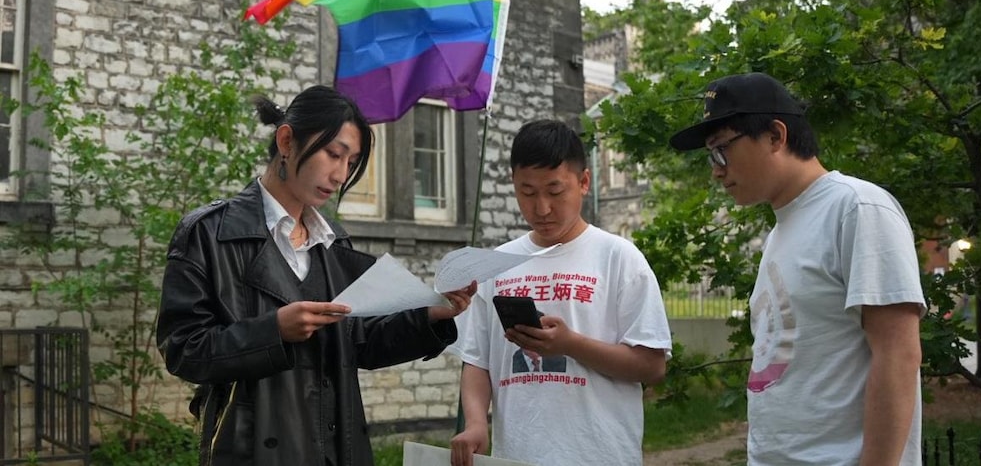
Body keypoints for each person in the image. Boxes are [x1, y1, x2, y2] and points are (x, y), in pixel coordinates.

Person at [156, 85, 476, 466]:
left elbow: (358, 341)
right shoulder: (210, 233)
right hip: (252, 450)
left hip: (337, 447)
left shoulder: (333, 242)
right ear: (287, 140)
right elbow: (183, 349)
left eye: (351, 162)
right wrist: (272, 330)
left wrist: (429, 316)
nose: (340, 174)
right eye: (333, 154)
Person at [669, 72, 925, 465]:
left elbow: (898, 355)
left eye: (722, 151)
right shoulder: (780, 232)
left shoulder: (857, 208)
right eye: (710, 157)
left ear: (775, 135)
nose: (716, 170)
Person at [450, 119, 672, 466]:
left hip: (598, 455)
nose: (541, 208)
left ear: (584, 182)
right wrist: (477, 423)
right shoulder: (496, 264)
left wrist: (571, 345)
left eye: (555, 192)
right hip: (517, 456)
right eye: (527, 192)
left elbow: (652, 366)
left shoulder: (618, 258)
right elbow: (477, 361)